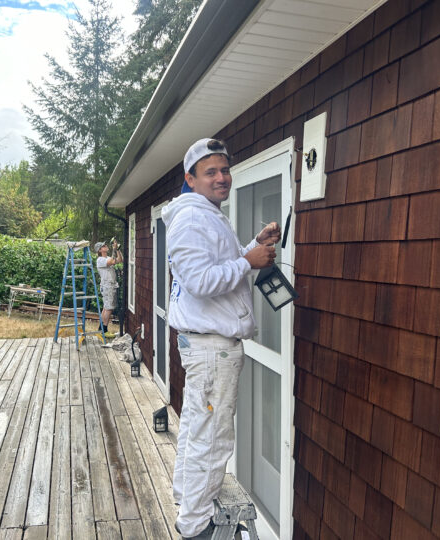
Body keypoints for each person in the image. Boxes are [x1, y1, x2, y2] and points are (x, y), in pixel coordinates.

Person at [162, 138, 281, 539]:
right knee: (212, 439)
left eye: (224, 170)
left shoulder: (206, 215)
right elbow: (199, 281)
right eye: (210, 172)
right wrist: (248, 261)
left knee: (199, 427)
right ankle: (196, 527)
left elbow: (216, 268)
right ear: (190, 180)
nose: (221, 178)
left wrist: (253, 247)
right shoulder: (193, 219)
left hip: (207, 346)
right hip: (212, 348)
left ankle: (186, 498)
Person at [94, 238, 123, 334]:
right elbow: (113, 261)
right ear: (99, 250)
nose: (105, 246)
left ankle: (101, 328)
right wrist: (114, 249)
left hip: (110, 286)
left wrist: (117, 249)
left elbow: (120, 260)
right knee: (109, 307)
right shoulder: (100, 260)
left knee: (106, 307)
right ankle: (104, 330)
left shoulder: (107, 258)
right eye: (103, 246)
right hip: (107, 286)